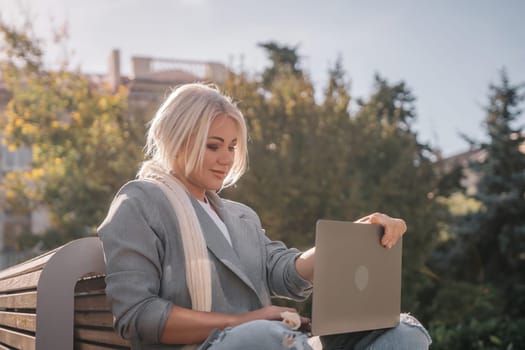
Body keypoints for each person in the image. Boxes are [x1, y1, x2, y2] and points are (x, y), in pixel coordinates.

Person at [98, 83, 432, 350]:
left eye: (231, 147)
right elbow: (137, 315)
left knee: (402, 332)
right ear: (176, 140)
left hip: (273, 340)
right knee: (265, 337)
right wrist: (247, 321)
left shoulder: (240, 216)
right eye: (213, 146)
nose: (226, 159)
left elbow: (283, 271)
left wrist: (353, 240)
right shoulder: (140, 201)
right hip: (224, 344)